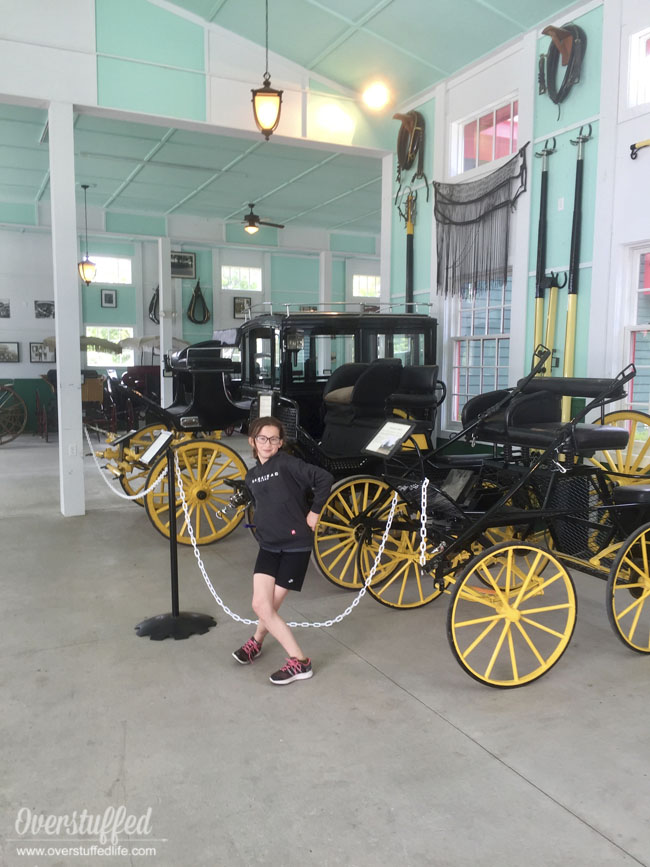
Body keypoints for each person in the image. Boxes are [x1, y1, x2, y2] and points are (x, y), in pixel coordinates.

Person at [232, 416, 334, 685]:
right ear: (253, 441)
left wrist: (314, 513)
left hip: (294, 546)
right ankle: (257, 642)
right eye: (262, 438)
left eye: (274, 439)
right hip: (268, 546)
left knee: (266, 607)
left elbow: (324, 478)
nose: (268, 443)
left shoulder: (287, 464)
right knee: (263, 606)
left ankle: (300, 662)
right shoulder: (251, 476)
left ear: (280, 443)